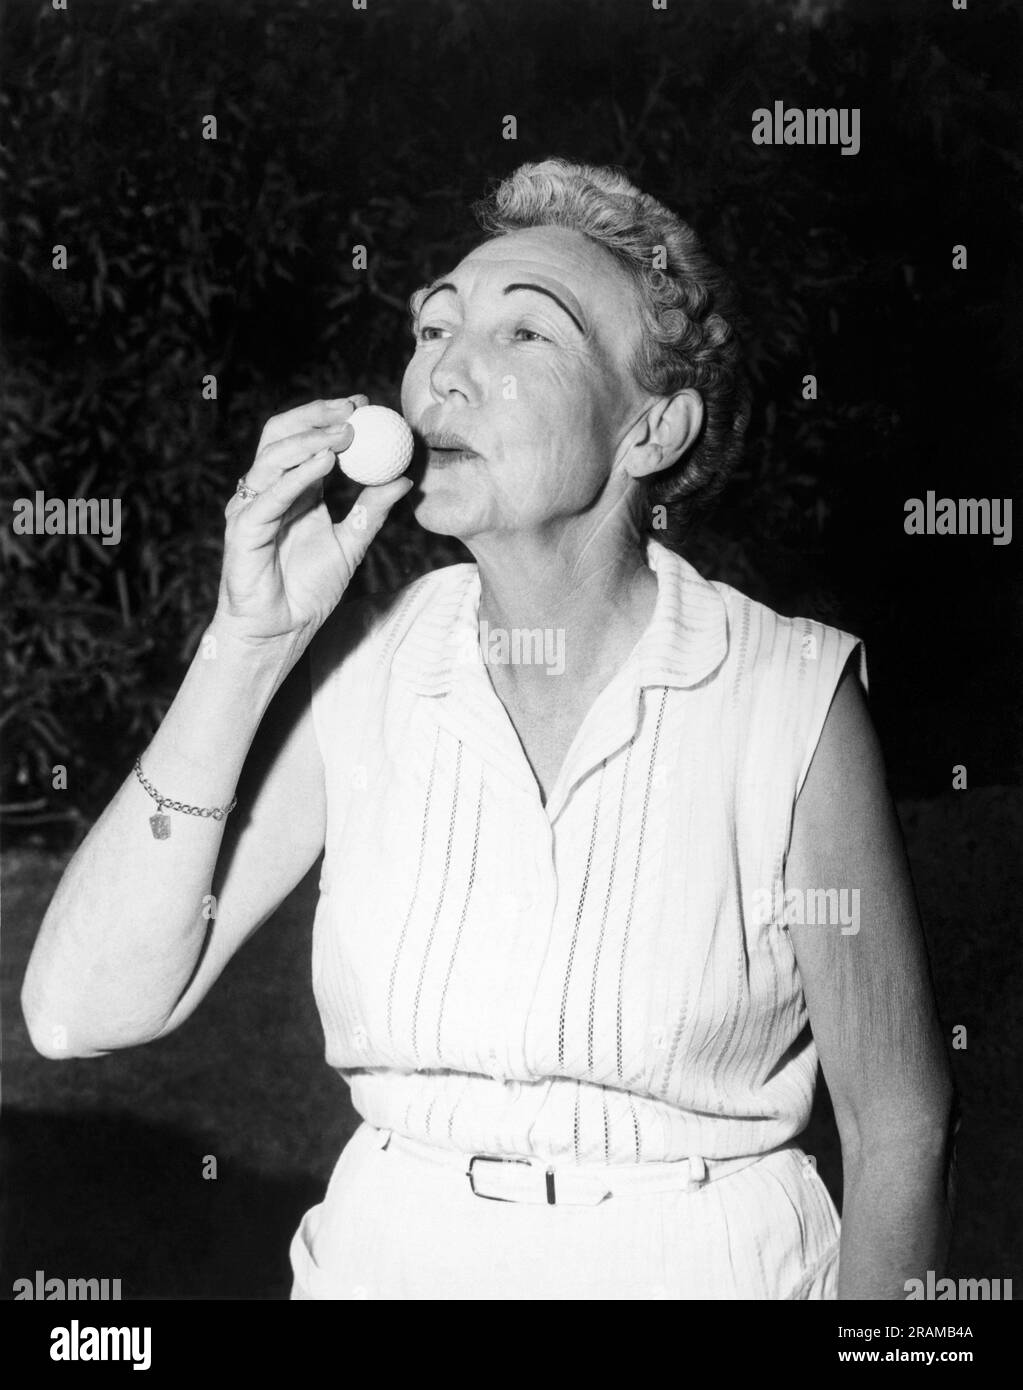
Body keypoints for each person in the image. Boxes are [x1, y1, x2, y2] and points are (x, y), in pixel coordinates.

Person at [22, 157, 955, 1300]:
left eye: (526, 336)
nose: (443, 371)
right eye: (434, 328)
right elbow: (77, 1011)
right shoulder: (370, 671)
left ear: (654, 429)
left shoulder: (786, 693)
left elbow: (899, 1128)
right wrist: (247, 642)